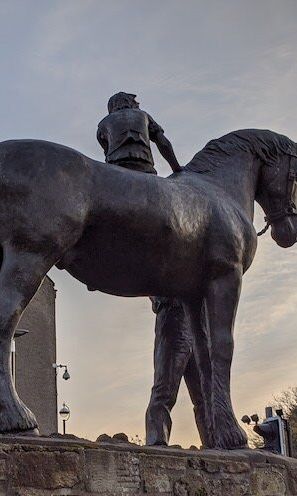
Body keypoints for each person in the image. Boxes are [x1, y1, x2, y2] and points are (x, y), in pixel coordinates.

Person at [96, 92, 207, 446]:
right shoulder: (144, 116)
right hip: (177, 317)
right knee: (167, 390)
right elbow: (164, 142)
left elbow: (104, 149)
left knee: (201, 392)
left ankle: (215, 444)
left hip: (189, 318)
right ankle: (157, 443)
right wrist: (179, 170)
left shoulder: (104, 125)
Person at [96, 92, 182, 175]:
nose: (137, 103)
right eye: (135, 101)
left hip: (115, 169)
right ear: (128, 102)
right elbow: (164, 143)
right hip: (144, 167)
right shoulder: (144, 115)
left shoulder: (102, 124)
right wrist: (177, 169)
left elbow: (106, 153)